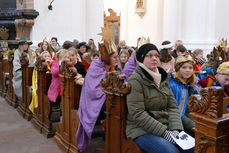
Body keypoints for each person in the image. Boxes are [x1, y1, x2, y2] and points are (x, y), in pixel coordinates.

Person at [126, 43, 193, 153]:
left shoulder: (162, 78)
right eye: (149, 55)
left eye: (157, 55)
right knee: (171, 152)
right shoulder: (136, 80)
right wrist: (165, 133)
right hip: (141, 130)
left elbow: (173, 106)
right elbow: (138, 114)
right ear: (142, 58)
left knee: (192, 148)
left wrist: (176, 129)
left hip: (165, 125)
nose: (154, 58)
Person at [76, 40, 120, 152]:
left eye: (117, 56)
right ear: (106, 57)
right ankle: (114, 141)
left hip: (105, 99)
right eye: (114, 57)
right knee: (115, 109)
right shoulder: (96, 66)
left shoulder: (111, 67)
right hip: (93, 103)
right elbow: (93, 90)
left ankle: (116, 140)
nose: (117, 59)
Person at [169, 55, 199, 137]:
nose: (187, 70)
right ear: (178, 69)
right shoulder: (173, 85)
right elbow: (178, 112)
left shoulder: (193, 85)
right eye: (184, 67)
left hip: (192, 118)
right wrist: (195, 126)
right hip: (178, 123)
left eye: (190, 68)